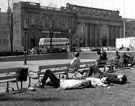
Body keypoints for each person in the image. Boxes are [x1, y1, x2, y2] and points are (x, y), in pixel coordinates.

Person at [38, 69, 108, 89]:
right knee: (49, 82)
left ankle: (42, 84)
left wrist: (61, 87)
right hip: (60, 82)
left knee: (48, 71)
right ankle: (42, 83)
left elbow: (68, 86)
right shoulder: (79, 82)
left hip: (60, 83)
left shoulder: (78, 83)